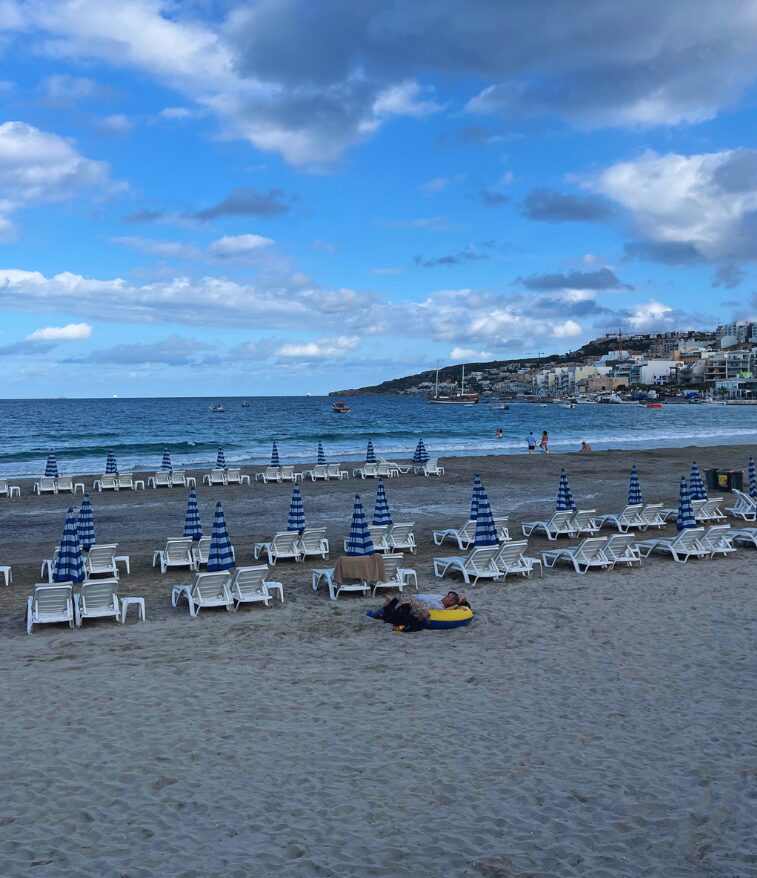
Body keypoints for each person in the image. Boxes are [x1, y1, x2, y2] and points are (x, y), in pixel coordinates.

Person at [369, 591, 470, 631]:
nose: (445, 597)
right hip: (412, 596)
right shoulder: (439, 598)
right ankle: (383, 611)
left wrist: (456, 605)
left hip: (414, 601)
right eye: (447, 595)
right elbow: (463, 596)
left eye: (448, 597)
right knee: (398, 600)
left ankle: (379, 614)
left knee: (400, 605)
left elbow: (456, 604)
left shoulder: (439, 607)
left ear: (450, 603)